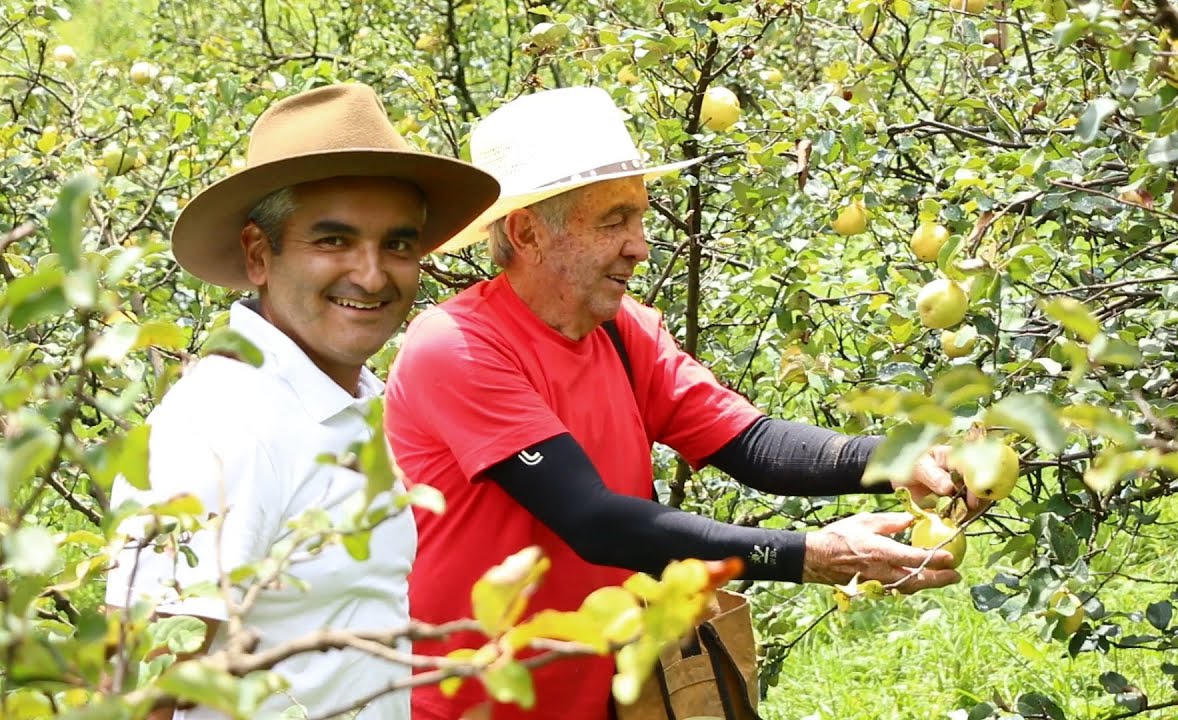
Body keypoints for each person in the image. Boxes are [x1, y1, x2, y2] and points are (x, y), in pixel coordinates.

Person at [384, 87, 969, 720]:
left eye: (639, 216)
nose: (640, 244)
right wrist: (807, 556)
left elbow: (753, 446)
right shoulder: (461, 348)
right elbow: (593, 520)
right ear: (527, 231)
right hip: (479, 706)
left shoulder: (617, 328)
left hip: (619, 698)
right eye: (612, 220)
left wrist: (902, 459)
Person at [105, 83, 499, 719]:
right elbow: (139, 688)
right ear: (260, 255)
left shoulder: (350, 401)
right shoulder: (223, 424)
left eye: (398, 244)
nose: (372, 275)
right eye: (334, 241)